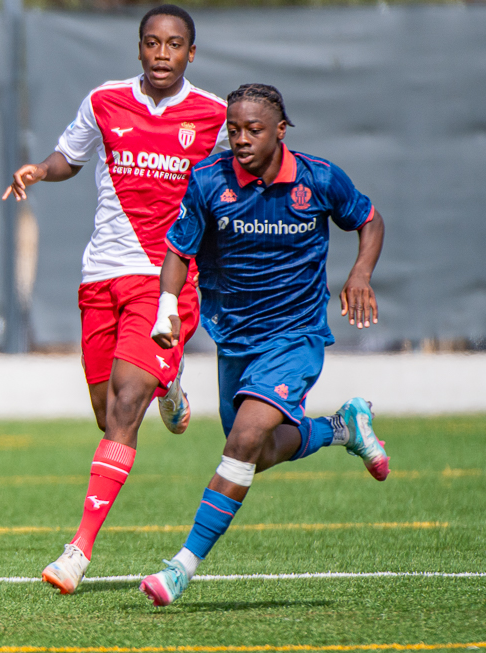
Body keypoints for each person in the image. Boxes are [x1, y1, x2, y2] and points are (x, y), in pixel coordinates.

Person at [3, 4, 228, 594]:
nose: (161, 53)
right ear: (138, 48)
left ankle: (78, 550)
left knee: (126, 407)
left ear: (190, 54)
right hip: (99, 278)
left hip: (166, 281)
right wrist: (39, 171)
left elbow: (237, 184)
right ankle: (170, 383)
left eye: (174, 44)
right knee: (109, 414)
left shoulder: (212, 115)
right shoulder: (104, 100)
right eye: (152, 42)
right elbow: (68, 158)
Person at [139, 83, 389, 607]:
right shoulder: (208, 180)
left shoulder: (319, 178)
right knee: (255, 449)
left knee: (246, 438)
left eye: (253, 129)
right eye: (233, 129)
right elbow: (178, 250)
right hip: (233, 337)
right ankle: (341, 428)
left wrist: (360, 272)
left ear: (281, 129)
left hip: (295, 337)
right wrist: (166, 306)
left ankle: (180, 568)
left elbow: (368, 219)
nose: (241, 139)